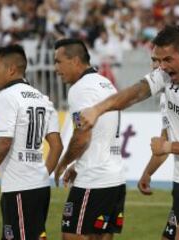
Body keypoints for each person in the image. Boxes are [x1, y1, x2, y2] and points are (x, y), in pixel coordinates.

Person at [78, 25, 179, 240]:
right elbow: (135, 92)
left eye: (167, 60)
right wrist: (98, 109)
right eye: (158, 60)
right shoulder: (165, 76)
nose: (161, 67)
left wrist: (168, 147)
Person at [0, 44, 63, 240]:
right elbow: (57, 146)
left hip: (19, 189)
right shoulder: (43, 98)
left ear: (11, 70)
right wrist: (41, 176)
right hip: (39, 188)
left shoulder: (6, 97)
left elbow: (3, 143)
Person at [53, 38, 125, 240]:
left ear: (75, 61)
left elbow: (82, 135)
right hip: (114, 176)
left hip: (94, 179)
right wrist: (77, 166)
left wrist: (64, 162)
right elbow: (103, 131)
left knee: (71, 235)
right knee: (101, 236)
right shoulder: (105, 83)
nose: (56, 68)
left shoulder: (80, 89)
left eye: (59, 61)